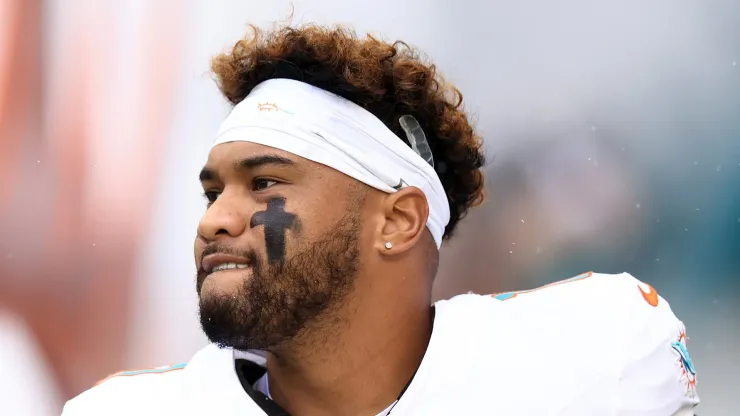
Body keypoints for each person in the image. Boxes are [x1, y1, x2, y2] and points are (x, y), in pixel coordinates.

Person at [62, 24, 700, 416]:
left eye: (264, 184)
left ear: (396, 220)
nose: (216, 221)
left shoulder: (599, 363)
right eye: (212, 193)